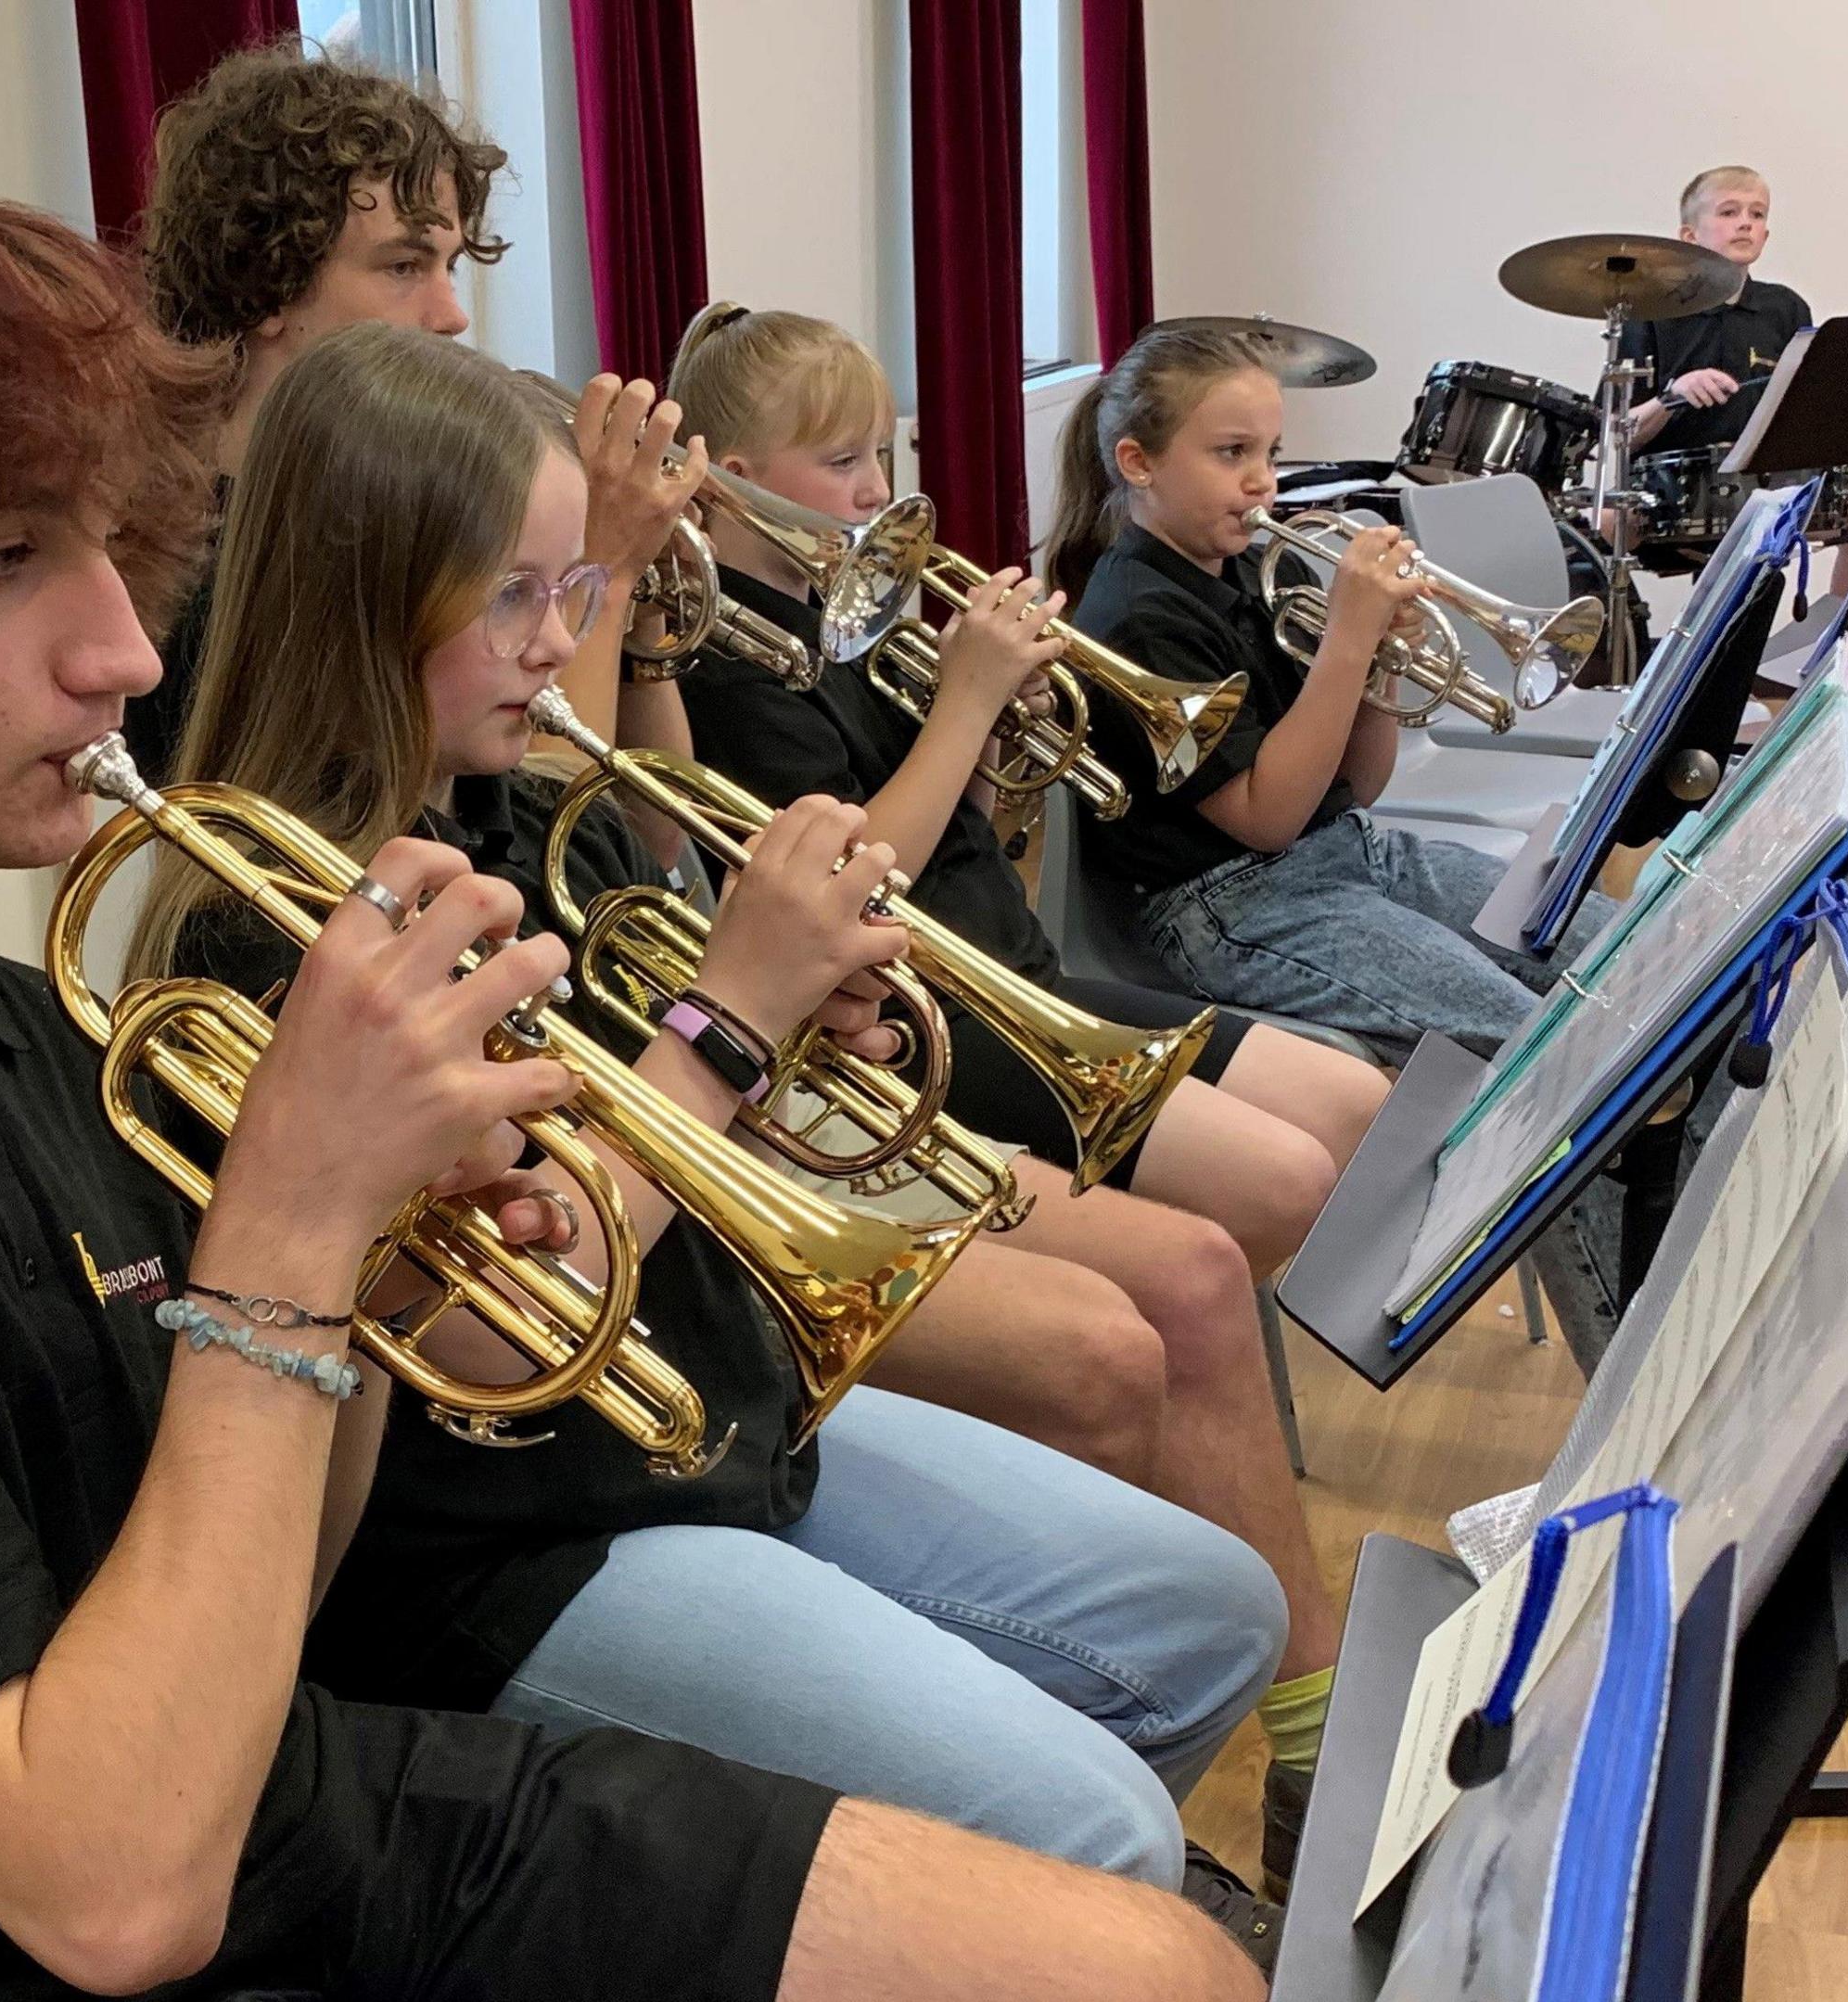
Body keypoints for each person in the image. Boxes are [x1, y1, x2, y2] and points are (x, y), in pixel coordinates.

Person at [0, 183, 1269, 2002]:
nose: (129, 652)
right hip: (119, 1917)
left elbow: (270, 1578)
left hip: (282, 1790)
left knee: (1143, 1944)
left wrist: (379, 1279)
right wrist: (294, 1234)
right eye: (6, 560)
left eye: (107, 550)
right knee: (1118, 1936)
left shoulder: (6, 1026)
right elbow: (109, 1891)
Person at [143, 319, 1297, 1961]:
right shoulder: (265, 923)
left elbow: (659, 1102)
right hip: (505, 1541)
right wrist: (728, 1030)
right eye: (515, 597)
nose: (559, 643)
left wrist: (795, 1029)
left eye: (576, 590)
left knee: (1213, 1620)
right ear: (360, 595)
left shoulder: (506, 808)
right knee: (1096, 1817)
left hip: (713, 1413)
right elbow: (484, 1320)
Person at [657, 300, 1392, 1892]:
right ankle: (1280, 1672)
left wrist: (1004, 724)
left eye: (889, 455)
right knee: (1216, 1251)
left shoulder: (840, 620)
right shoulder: (718, 662)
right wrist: (979, 695)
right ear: (718, 480)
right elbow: (861, 888)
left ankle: (1256, 1603)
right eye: (845, 461)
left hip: (1005, 987)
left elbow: (974, 835)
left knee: (1279, 1187)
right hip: (920, 1030)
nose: (879, 494)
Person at [1050, 322, 1638, 1367]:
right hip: (1234, 903)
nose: (1261, 483)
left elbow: (1357, 783)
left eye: (1267, 454)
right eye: (1230, 455)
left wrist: (1378, 667)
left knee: (1633, 949)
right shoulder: (1135, 612)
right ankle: (1633, 1357)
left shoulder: (1237, 570)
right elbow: (1267, 816)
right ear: (1137, 464)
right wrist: (1352, 640)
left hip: (1347, 854)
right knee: (1548, 1054)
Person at [128, 38, 690, 773]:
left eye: (450, 267)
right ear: (266, 284)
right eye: (404, 266)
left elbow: (648, 841)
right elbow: (552, 852)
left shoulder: (390, 506)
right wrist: (605, 572)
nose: (453, 314)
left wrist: (637, 626)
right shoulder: (195, 576)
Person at [1621, 165, 1848, 591]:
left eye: (1757, 214)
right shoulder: (1650, 310)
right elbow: (1618, 436)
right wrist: (1672, 396)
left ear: (1765, 235)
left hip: (1767, 490)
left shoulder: (1785, 309)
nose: (1746, 222)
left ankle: (1838, 648)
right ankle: (1615, 643)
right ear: (1689, 236)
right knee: (1603, 522)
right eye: (1728, 212)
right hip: (1671, 496)